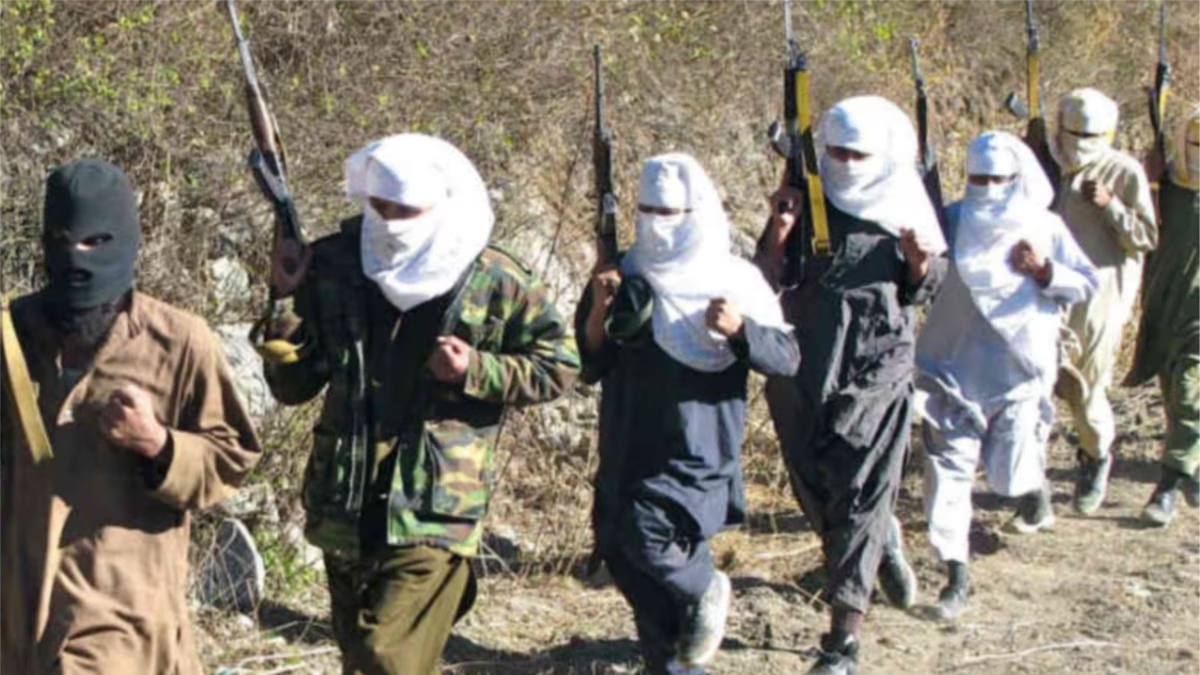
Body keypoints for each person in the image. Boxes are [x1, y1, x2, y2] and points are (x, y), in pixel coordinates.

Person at [259, 133, 580, 675]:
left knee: (382, 658)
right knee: (361, 658)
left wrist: (475, 369)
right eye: (379, 208)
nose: (390, 223)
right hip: (345, 502)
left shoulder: (494, 277)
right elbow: (293, 387)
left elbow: (560, 365)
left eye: (405, 212)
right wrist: (285, 298)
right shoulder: (335, 263)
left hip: (435, 510)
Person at [0, 158, 263, 674]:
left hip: (120, 616)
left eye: (95, 242)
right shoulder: (13, 333)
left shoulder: (179, 341)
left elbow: (231, 458)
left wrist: (159, 444)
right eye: (61, 241)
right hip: (16, 610)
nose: (76, 258)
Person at [579, 153, 799, 674]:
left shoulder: (734, 277)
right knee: (621, 550)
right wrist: (600, 307)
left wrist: (741, 330)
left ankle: (704, 586)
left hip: (697, 445)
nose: (657, 224)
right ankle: (672, 664)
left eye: (670, 213)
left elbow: (787, 357)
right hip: (627, 441)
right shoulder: (626, 271)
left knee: (650, 533)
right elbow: (591, 361)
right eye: (648, 210)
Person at [756, 95, 948, 675]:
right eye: (834, 153)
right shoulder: (805, 196)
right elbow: (764, 278)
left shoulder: (905, 201)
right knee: (815, 484)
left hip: (877, 365)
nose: (844, 163)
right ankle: (876, 543)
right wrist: (780, 229)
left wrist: (917, 262)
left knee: (860, 488)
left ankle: (843, 637)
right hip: (803, 362)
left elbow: (929, 283)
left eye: (856, 155)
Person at [917, 131, 1097, 619]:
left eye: (998, 180)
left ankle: (1032, 491)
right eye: (978, 179)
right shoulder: (948, 220)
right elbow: (920, 274)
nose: (988, 189)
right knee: (947, 476)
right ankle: (955, 576)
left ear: (1017, 179)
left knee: (1009, 475)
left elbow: (1085, 283)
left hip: (1019, 373)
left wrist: (1043, 271)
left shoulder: (1046, 226)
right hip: (950, 371)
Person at [1047, 88, 1157, 515]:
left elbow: (1145, 237)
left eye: (1089, 135)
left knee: (1087, 389)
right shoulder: (1046, 160)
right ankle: (1028, 482)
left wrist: (1111, 206)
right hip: (1045, 287)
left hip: (1098, 296)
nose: (1079, 144)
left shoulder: (1123, 171)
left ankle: (1095, 457)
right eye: (1073, 133)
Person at [1128, 105, 1200, 525]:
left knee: (1190, 392)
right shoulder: (1164, 188)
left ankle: (1168, 486)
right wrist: (1149, 182)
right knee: (1174, 393)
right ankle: (1189, 466)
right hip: (1163, 307)